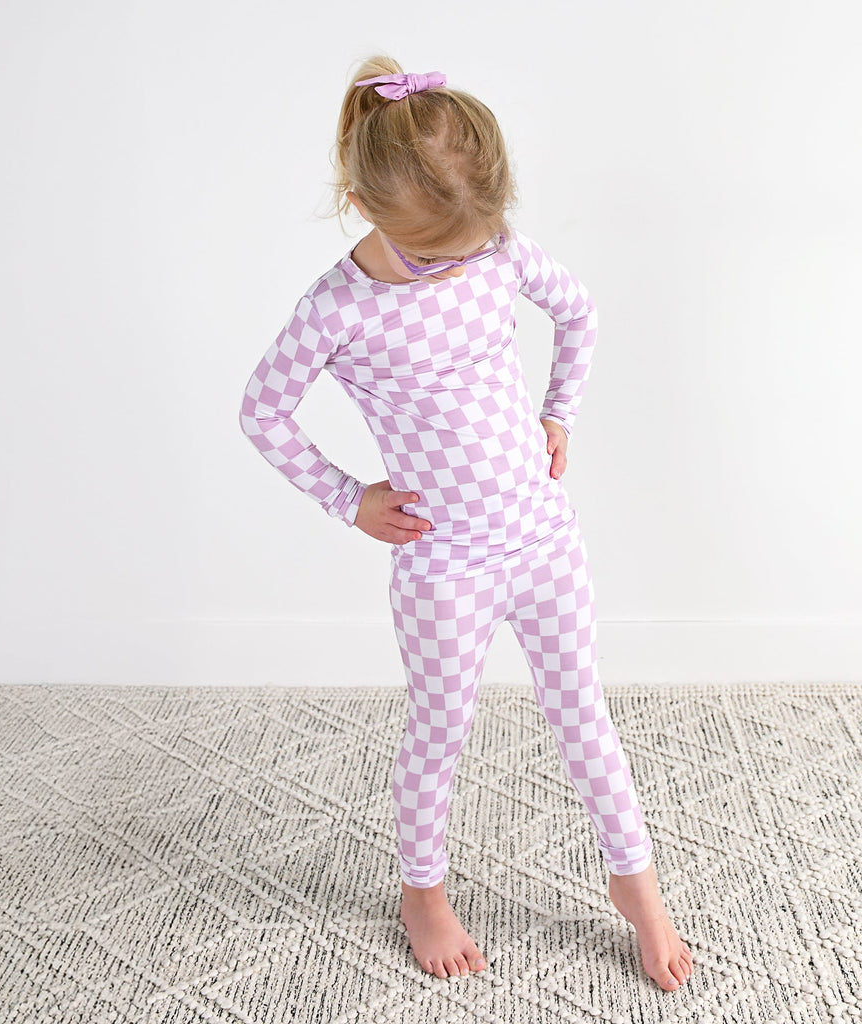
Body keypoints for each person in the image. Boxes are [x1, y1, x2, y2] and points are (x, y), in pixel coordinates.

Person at [238, 56, 693, 991]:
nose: (460, 263)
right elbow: (262, 411)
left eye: (471, 244)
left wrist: (559, 414)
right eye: (436, 253)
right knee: (440, 731)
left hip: (543, 537)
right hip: (444, 565)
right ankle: (423, 891)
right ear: (362, 206)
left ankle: (636, 881)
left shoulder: (498, 252)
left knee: (584, 714)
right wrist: (347, 497)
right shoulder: (337, 308)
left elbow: (579, 313)